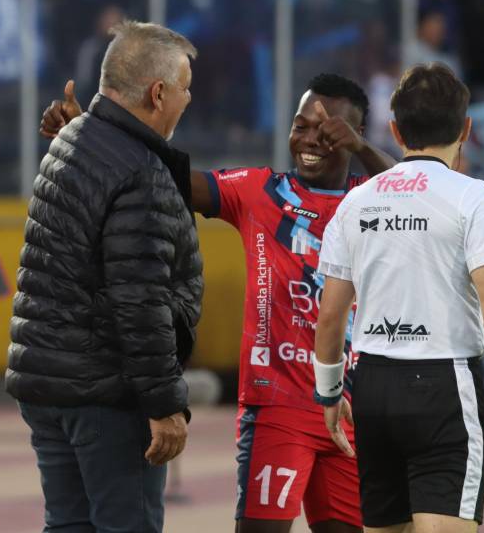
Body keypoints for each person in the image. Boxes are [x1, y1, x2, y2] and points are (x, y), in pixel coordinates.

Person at [39, 73, 396, 533]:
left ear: (355, 135)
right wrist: (88, 132)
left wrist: (364, 152)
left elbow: (420, 193)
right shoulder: (260, 191)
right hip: (276, 410)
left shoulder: (372, 204)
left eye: (327, 132)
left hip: (350, 413)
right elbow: (166, 172)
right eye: (300, 126)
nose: (309, 139)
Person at [313, 63, 484, 533]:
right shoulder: (473, 197)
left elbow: (330, 317)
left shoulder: (355, 202)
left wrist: (329, 393)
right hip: (444, 385)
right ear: (466, 128)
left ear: (396, 130)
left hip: (372, 387)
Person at [6, 20, 204, 533]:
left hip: (48, 384)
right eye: (185, 88)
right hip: (106, 393)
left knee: (67, 525)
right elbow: (138, 301)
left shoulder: (70, 140)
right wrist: (163, 405)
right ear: (157, 93)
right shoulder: (139, 169)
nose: (188, 100)